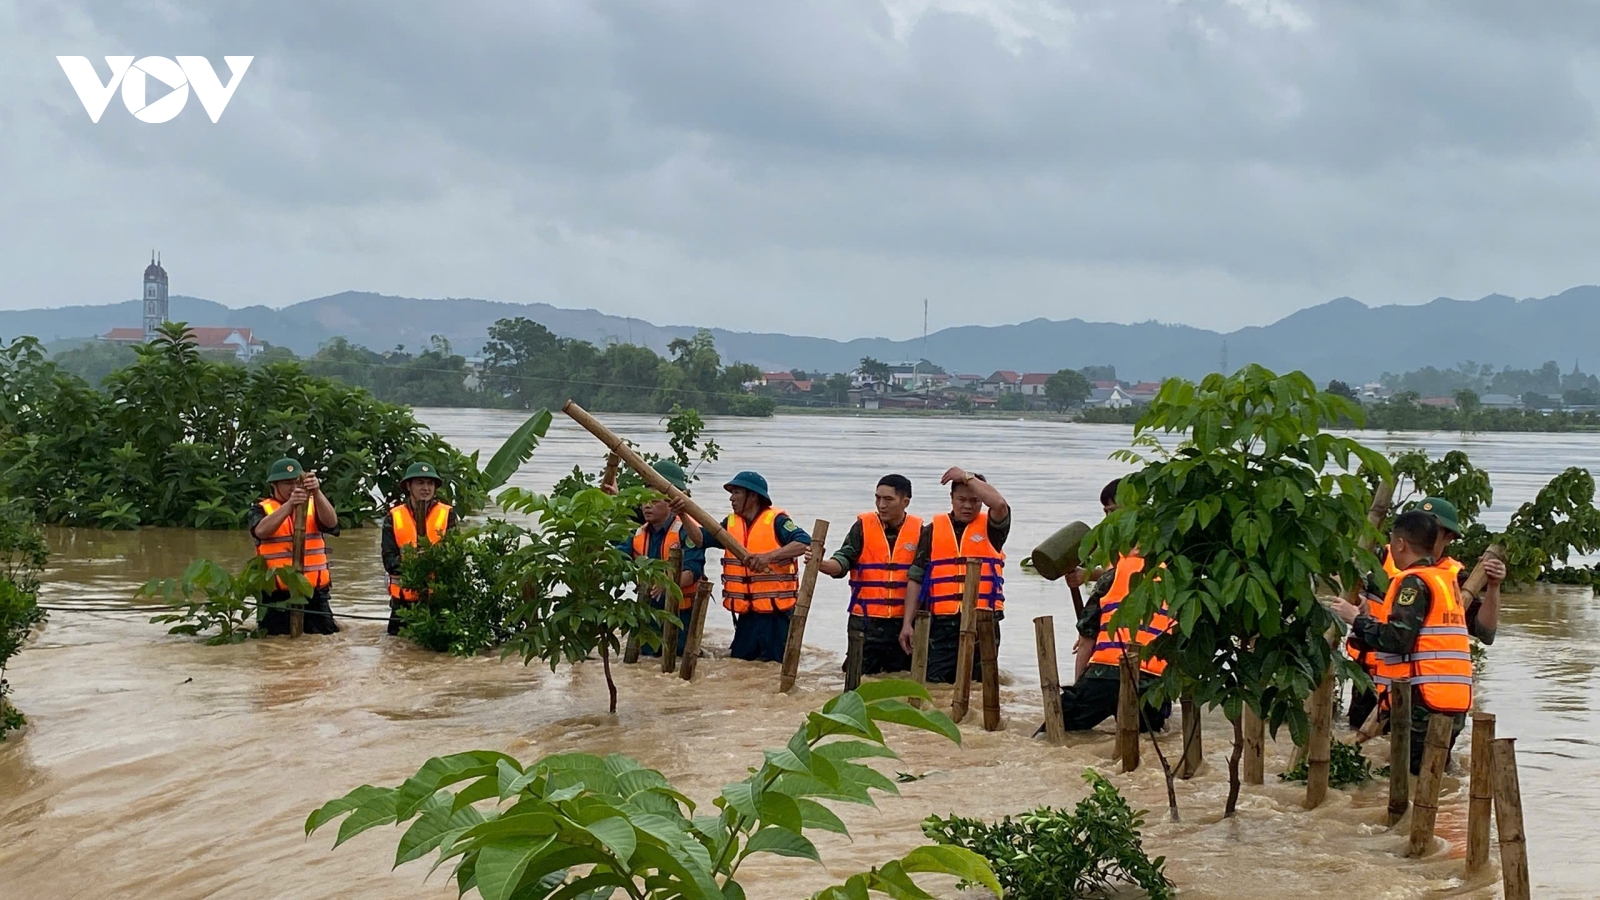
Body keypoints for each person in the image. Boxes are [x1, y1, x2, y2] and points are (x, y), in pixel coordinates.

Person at [1333, 510, 1475, 775]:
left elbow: (1398, 639)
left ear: (1400, 544)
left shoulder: (1413, 582)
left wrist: (1355, 619)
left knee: (1408, 778)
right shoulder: (1445, 581)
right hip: (1451, 701)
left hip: (1423, 701)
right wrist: (1366, 614)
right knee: (1431, 778)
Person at [1345, 496, 1504, 729]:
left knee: (1410, 758)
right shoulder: (1380, 557)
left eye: (1433, 528)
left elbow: (1485, 632)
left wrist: (1493, 587)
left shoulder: (1452, 579)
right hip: (1370, 677)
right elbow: (1341, 581)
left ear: (1448, 537)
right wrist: (1357, 600)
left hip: (1416, 689)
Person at [1044, 478, 1173, 734]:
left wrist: (1080, 686)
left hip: (1106, 672)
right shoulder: (1173, 561)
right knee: (1152, 737)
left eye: (1112, 512)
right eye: (1104, 513)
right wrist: (1088, 575)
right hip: (1154, 681)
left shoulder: (1118, 569)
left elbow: (1086, 639)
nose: (1107, 521)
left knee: (1053, 731)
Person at [899, 467, 1010, 683]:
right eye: (961, 499)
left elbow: (1000, 504)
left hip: (983, 622)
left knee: (981, 683)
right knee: (934, 684)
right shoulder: (932, 531)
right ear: (951, 498)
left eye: (974, 500)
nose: (967, 506)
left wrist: (967, 477)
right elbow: (916, 578)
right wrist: (907, 624)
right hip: (942, 624)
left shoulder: (993, 528)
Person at [698, 471, 812, 662]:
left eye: (736, 493)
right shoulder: (730, 523)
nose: (731, 498)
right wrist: (683, 513)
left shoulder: (778, 521)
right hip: (747, 615)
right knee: (740, 666)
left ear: (752, 496)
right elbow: (701, 539)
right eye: (731, 493)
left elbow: (805, 542)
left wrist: (769, 557)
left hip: (777, 616)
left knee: (777, 664)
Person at [818, 474, 919, 674]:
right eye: (877, 498)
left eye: (888, 499)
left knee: (902, 681)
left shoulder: (920, 532)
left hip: (902, 624)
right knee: (856, 678)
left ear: (905, 502)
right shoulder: (862, 528)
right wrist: (821, 564)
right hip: (864, 623)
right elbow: (843, 559)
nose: (881, 505)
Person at [609, 460, 706, 657]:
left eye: (654, 501)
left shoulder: (687, 530)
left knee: (677, 659)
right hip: (648, 614)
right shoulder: (639, 532)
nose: (647, 506)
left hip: (680, 615)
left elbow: (692, 571)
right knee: (646, 666)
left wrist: (667, 583)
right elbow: (618, 556)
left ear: (671, 503)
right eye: (645, 501)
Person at [248, 457, 340, 635]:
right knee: (275, 646)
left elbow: (331, 523)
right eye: (287, 483)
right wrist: (290, 504)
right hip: (276, 596)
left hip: (314, 593)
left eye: (296, 483)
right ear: (274, 485)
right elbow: (261, 531)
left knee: (325, 641)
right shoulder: (260, 509)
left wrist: (317, 492)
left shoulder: (314, 505)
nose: (293, 488)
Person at [381, 461, 461, 636]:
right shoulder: (393, 517)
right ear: (408, 486)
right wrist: (412, 560)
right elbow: (389, 562)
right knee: (397, 651)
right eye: (420, 482)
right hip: (403, 603)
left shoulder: (448, 514)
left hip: (438, 600)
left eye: (430, 483)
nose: (426, 488)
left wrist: (431, 558)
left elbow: (455, 558)